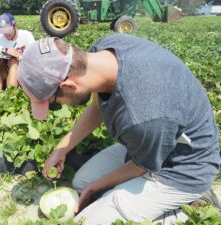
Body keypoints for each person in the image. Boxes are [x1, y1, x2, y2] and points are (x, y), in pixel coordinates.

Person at [17, 34, 221, 224]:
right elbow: (96, 107)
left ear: (69, 86)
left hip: (182, 168)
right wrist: (61, 149)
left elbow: (142, 166)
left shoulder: (143, 115)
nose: (57, 108)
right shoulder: (106, 49)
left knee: (87, 220)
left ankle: (183, 210)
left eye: (54, 104)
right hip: (151, 144)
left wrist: (97, 187)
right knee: (81, 182)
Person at [0, 13, 35, 91]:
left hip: (22, 72)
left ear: (15, 26)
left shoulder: (27, 35)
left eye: (8, 31)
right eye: (3, 32)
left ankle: (11, 94)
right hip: (5, 70)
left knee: (13, 60)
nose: (6, 35)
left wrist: (18, 56)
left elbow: (35, 58)